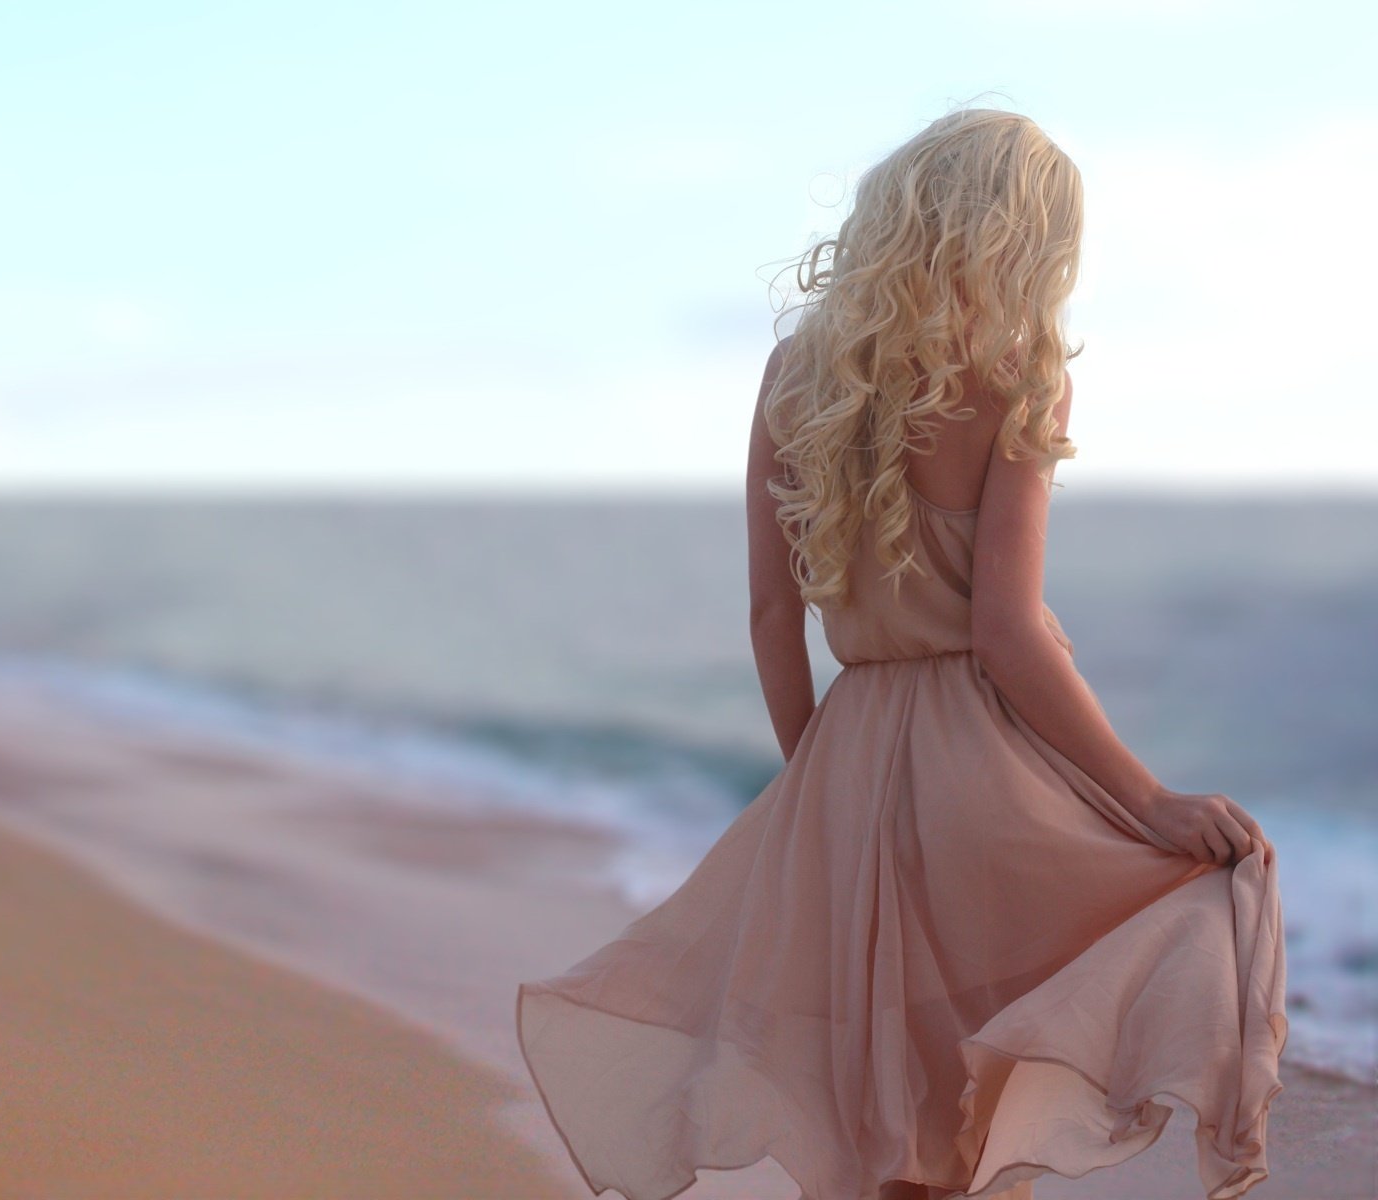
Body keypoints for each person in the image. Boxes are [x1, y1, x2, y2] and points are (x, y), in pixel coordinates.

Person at [515, 108, 1287, 1200]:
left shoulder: (798, 371)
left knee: (881, 1114)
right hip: (991, 762)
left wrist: (814, 787)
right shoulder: (1022, 375)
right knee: (984, 1095)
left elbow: (770, 618)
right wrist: (1150, 799)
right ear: (1025, 238)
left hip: (851, 758)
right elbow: (1007, 633)